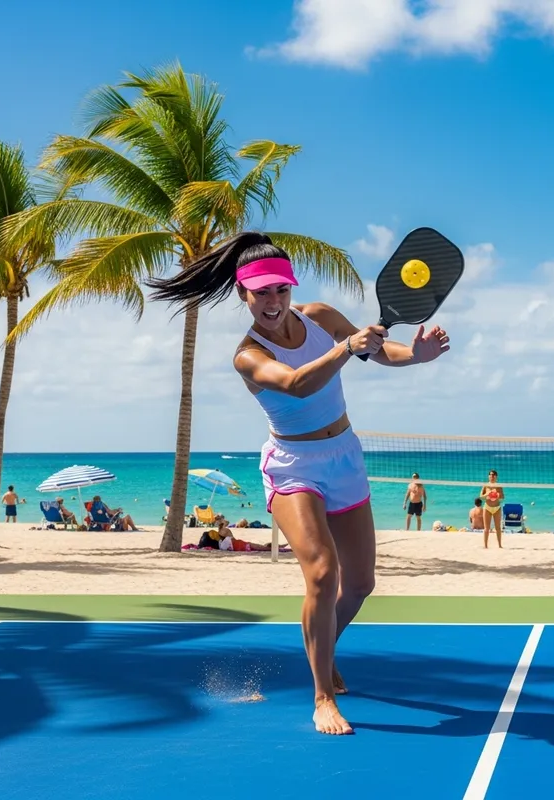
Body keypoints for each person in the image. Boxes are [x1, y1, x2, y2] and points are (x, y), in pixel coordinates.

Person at [147, 231, 450, 736]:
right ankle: (321, 697)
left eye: (280, 290)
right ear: (243, 293)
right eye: (261, 292)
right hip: (294, 464)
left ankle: (322, 647)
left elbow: (378, 351)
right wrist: (347, 349)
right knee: (322, 572)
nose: (272, 301)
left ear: (291, 288)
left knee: (360, 583)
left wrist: (413, 356)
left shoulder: (321, 317)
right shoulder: (248, 354)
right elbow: (296, 383)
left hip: (345, 455)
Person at [480, 469, 504, 548]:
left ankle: (500, 545)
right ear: (488, 476)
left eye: (493, 475)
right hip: (487, 508)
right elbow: (481, 497)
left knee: (498, 528)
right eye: (490, 475)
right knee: (486, 528)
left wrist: (497, 495)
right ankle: (485, 546)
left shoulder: (499, 486)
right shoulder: (485, 485)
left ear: (496, 477)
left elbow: (502, 497)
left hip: (497, 508)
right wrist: (488, 494)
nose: (492, 476)